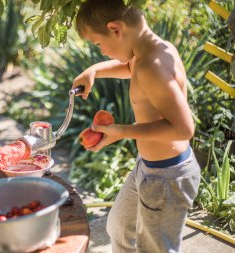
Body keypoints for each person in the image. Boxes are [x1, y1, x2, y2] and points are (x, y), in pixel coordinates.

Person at [72, 0, 201, 252]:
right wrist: (95, 71)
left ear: (116, 29)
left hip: (167, 178)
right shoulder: (147, 52)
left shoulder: (152, 65)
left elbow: (184, 129)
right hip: (148, 168)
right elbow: (128, 68)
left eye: (99, 44)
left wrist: (121, 132)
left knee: (156, 248)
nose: (101, 52)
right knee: (119, 229)